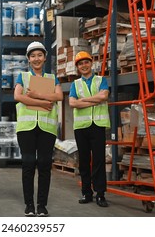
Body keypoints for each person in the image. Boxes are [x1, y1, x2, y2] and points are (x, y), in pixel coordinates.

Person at [13, 41, 63, 217]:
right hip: (26, 127)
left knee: (44, 164)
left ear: (45, 57)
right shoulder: (23, 77)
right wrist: (43, 102)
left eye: (39, 55)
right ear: (28, 59)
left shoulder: (52, 78)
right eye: (33, 56)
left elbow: (59, 96)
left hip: (46, 128)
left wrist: (35, 95)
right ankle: (29, 205)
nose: (36, 59)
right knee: (28, 163)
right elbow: (18, 96)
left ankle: (42, 205)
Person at [68, 51, 110, 207]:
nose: (83, 66)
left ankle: (100, 194)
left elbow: (103, 97)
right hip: (81, 127)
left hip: (97, 126)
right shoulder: (75, 84)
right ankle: (87, 193)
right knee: (84, 161)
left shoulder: (101, 80)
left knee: (99, 160)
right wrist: (93, 101)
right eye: (80, 64)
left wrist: (83, 100)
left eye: (86, 62)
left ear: (91, 63)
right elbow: (72, 103)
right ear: (78, 68)